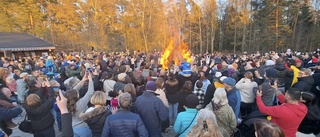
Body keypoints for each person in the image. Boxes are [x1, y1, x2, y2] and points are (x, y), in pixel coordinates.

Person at [65, 72, 94, 137]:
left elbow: (73, 91)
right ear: (76, 96)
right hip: (83, 127)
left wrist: (83, 80)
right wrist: (91, 80)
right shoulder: (81, 103)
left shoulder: (66, 103)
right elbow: (90, 92)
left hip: (72, 127)